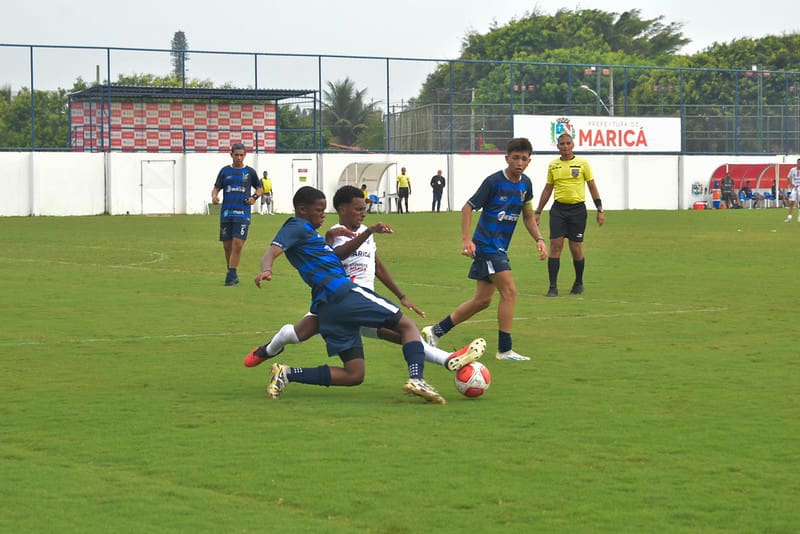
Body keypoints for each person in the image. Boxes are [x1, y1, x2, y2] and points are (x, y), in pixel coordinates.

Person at [245, 185, 485, 374]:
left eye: (364, 209)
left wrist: (401, 295)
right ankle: (445, 362)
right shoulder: (334, 233)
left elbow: (373, 264)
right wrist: (267, 268)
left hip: (341, 299)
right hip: (348, 297)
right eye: (358, 209)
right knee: (404, 331)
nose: (363, 213)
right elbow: (324, 253)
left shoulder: (326, 234)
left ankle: (270, 353)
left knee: (299, 334)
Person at [421, 138, 548, 362]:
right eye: (515, 158)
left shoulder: (525, 185)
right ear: (507, 158)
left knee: (482, 300)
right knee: (509, 292)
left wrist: (539, 238)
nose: (519, 162)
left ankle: (435, 331)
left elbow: (528, 216)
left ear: (529, 161)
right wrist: (467, 240)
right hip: (488, 247)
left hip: (498, 248)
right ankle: (505, 350)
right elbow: (468, 207)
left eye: (524, 159)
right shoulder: (493, 182)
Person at [535, 132, 604, 297]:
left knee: (576, 248)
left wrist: (600, 209)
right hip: (559, 210)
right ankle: (553, 287)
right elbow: (548, 188)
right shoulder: (553, 165)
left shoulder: (582, 164)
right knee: (555, 246)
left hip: (578, 210)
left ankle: (578, 282)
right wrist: (538, 211)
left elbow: (592, 185)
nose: (565, 146)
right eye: (562, 144)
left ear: (573, 145)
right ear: (558, 146)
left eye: (568, 143)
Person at [211, 142, 263, 286]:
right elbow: (216, 188)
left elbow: (260, 188)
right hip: (226, 213)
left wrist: (254, 197)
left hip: (243, 213)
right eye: (236, 155)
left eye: (241, 155)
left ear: (245, 155)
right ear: (231, 155)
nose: (239, 158)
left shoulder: (250, 172)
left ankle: (231, 274)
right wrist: (214, 196)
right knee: (227, 246)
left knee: (238, 244)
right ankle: (232, 273)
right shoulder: (224, 171)